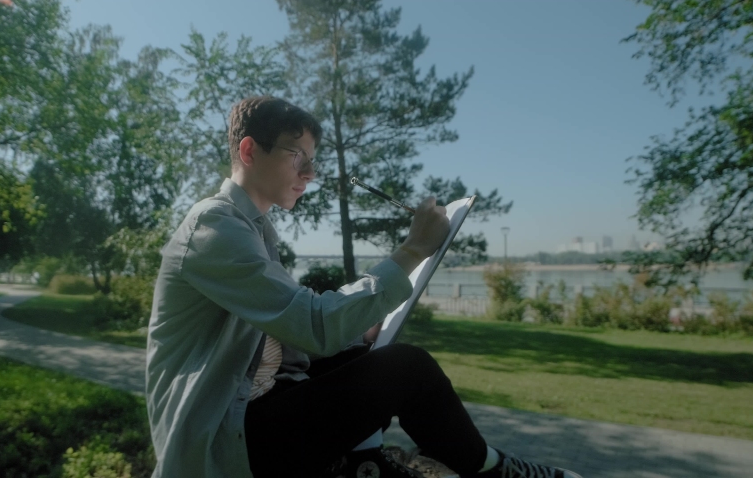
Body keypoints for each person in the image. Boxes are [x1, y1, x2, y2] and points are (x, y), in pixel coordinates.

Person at [145, 96, 583, 478]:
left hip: (256, 413)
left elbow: (287, 337)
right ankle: (490, 470)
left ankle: (364, 463)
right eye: (298, 156)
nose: (310, 172)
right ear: (249, 150)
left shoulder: (253, 231)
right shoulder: (214, 226)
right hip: (220, 440)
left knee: (357, 353)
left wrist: (358, 334)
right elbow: (311, 325)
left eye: (312, 159)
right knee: (405, 368)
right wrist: (411, 250)